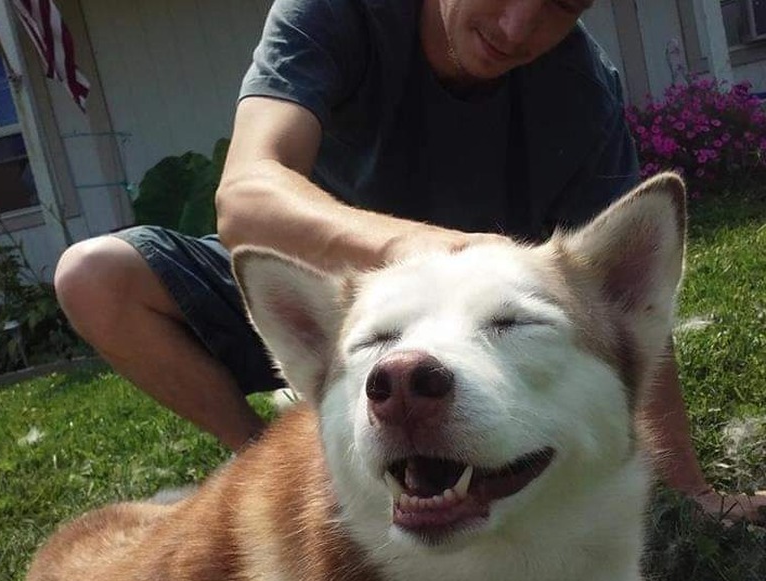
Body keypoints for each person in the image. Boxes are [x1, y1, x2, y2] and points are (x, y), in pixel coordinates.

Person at [54, 0, 765, 522]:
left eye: (557, 7)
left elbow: (624, 297)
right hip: (323, 301)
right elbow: (245, 195)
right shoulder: (335, 14)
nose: (518, 29)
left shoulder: (579, 89)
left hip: (476, 337)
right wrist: (428, 253)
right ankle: (281, 469)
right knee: (94, 276)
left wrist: (685, 486)